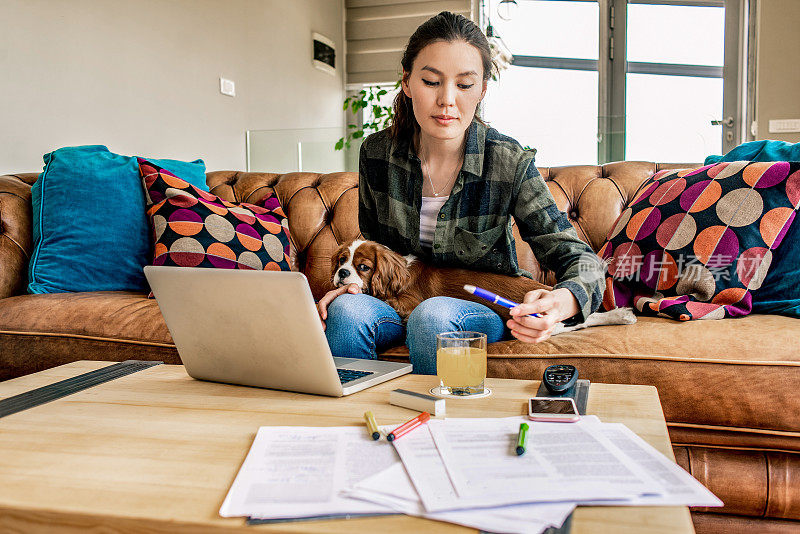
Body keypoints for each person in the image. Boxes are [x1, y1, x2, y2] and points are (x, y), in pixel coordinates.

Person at [317, 11, 604, 375]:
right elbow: (377, 249)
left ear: (482, 89)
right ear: (406, 82)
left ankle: (444, 427)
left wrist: (563, 302)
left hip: (473, 309)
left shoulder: (507, 160)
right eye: (431, 81)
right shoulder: (377, 153)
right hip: (398, 300)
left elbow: (578, 257)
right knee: (346, 312)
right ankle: (351, 426)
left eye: (465, 85)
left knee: (433, 314)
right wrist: (350, 288)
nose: (447, 100)